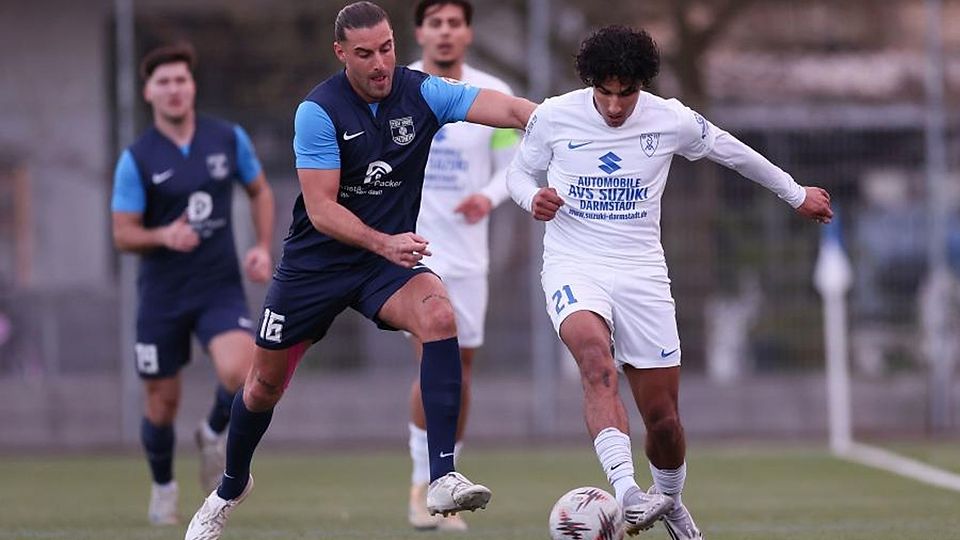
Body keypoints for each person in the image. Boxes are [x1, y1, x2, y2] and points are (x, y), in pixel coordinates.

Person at [183, 3, 535, 539]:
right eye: (365, 54)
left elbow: (510, 112)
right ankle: (229, 488)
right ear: (341, 53)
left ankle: (441, 477)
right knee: (261, 388)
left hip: (382, 266)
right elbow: (321, 210)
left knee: (440, 315)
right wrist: (383, 241)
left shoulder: (424, 92)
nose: (380, 64)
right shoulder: (318, 111)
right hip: (315, 265)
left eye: (387, 48)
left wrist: (576, 120)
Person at [506, 26, 833, 538]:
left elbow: (732, 151)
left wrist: (795, 194)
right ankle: (626, 492)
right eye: (605, 92)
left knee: (663, 420)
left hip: (642, 274)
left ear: (643, 86)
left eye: (626, 92)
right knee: (595, 363)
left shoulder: (672, 118)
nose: (615, 106)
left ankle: (672, 501)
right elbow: (518, 175)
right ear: (591, 84)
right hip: (574, 263)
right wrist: (532, 199)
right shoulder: (553, 115)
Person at [110, 43, 275, 526]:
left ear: (192, 86)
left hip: (218, 286)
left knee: (244, 371)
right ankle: (163, 487)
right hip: (161, 294)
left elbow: (260, 189)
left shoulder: (226, 138)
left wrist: (262, 245)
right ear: (148, 92)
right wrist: (164, 234)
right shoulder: (137, 158)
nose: (174, 89)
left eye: (181, 79)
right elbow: (122, 232)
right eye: (163, 82)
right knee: (161, 403)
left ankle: (210, 432)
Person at [404, 0, 520, 531]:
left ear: (468, 32)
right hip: (415, 251)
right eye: (435, 23)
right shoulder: (397, 86)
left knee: (461, 369)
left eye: (454, 23)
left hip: (471, 254)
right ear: (420, 32)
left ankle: (447, 484)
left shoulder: (487, 92)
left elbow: (512, 167)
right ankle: (422, 483)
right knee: (433, 357)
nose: (445, 32)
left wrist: (487, 199)